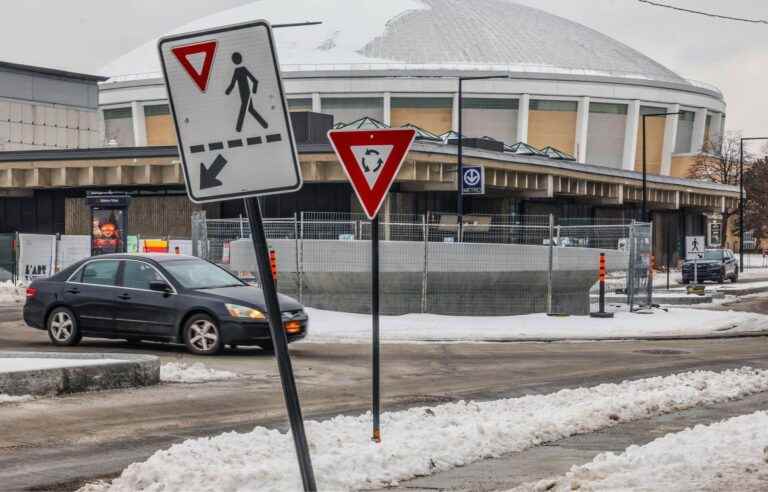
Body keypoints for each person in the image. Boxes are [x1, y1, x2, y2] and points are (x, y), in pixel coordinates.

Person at [225, 52, 268, 132]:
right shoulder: (240, 70)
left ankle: (238, 129)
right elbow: (233, 83)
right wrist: (227, 92)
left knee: (244, 109)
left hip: (246, 94)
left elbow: (254, 81)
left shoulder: (239, 70)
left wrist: (228, 92)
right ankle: (264, 124)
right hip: (245, 94)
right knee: (250, 109)